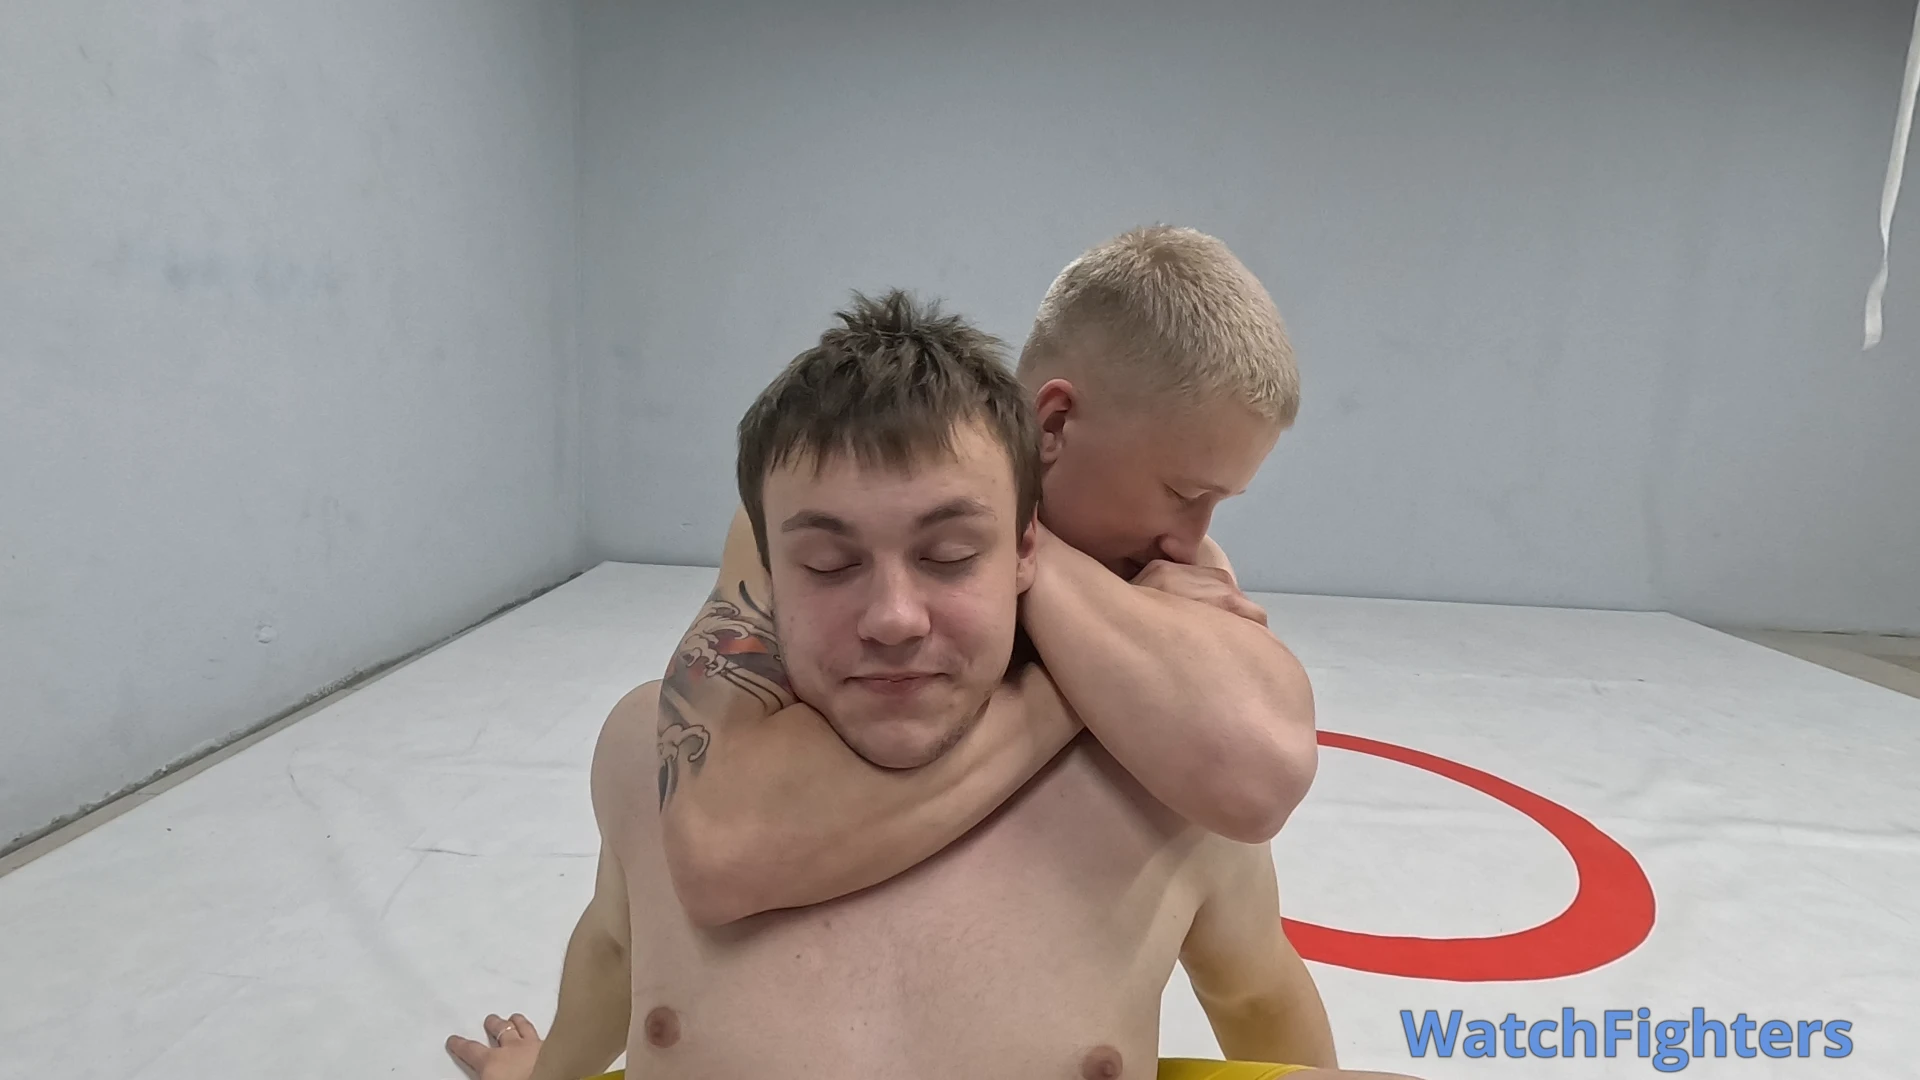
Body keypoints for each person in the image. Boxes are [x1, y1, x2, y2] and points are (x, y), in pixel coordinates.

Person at [446, 291, 1417, 1078]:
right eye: (829, 564)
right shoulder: (642, 757)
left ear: (1022, 550)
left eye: (952, 554)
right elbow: (616, 945)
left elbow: (1256, 990)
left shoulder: (1164, 781)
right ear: (769, 573)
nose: (894, 617)